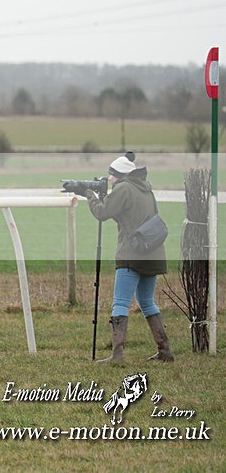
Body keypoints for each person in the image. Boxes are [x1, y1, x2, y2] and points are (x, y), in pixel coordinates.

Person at [84, 151, 173, 363]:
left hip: (131, 255)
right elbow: (127, 214)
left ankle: (117, 355)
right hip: (152, 253)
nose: (109, 179)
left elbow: (102, 213)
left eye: (111, 175)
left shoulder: (123, 188)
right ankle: (165, 351)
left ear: (120, 175)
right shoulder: (145, 189)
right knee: (147, 302)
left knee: (120, 303)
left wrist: (89, 194)